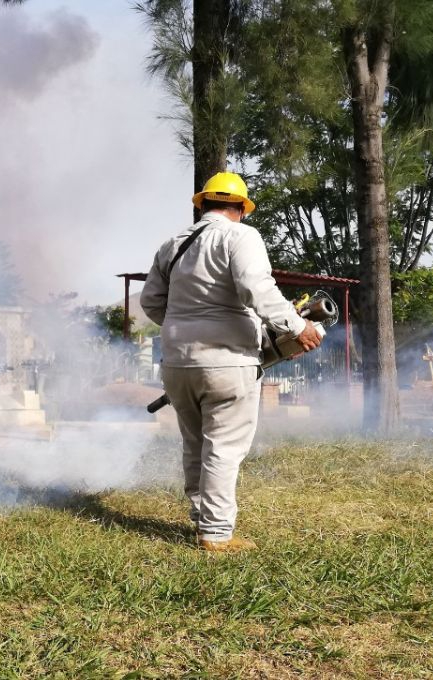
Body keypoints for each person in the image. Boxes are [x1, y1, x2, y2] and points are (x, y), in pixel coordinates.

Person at [140, 172, 321, 553]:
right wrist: (297, 325)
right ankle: (217, 534)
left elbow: (152, 303)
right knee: (223, 447)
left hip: (176, 364)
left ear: (201, 204)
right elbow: (257, 288)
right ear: (240, 208)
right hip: (228, 362)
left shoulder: (173, 245)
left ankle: (200, 518)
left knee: (194, 444)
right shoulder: (241, 236)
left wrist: (185, 328)